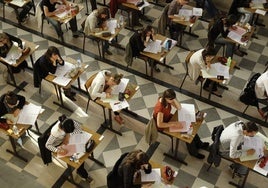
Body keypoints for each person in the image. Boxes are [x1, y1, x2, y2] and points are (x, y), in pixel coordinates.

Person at [153, 89, 209, 159]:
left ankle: (199, 144)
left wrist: (174, 99)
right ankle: (193, 152)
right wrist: (174, 124)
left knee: (190, 127)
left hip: (169, 119)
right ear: (166, 98)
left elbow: (179, 107)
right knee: (186, 132)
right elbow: (159, 124)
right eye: (171, 99)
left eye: (174, 98)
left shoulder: (168, 100)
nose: (173, 100)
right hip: (164, 126)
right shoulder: (160, 108)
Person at [45, 115, 93, 183]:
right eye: (68, 132)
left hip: (70, 140)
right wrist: (58, 150)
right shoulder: (55, 132)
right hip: (60, 145)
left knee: (82, 151)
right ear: (63, 129)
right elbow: (47, 145)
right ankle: (83, 173)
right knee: (77, 157)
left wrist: (69, 135)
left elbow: (79, 129)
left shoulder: (70, 122)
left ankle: (81, 168)